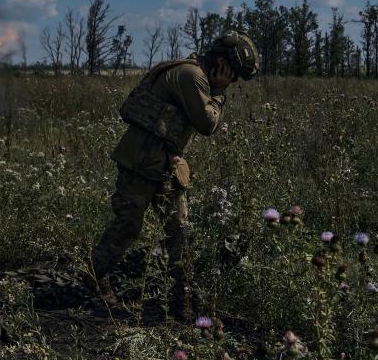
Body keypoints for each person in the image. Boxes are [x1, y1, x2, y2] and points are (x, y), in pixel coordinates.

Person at [89, 31, 259, 317]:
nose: (233, 83)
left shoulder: (196, 75)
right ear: (222, 63)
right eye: (234, 76)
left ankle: (183, 299)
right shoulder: (191, 76)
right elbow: (207, 123)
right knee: (127, 226)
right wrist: (218, 94)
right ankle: (95, 279)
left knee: (180, 233)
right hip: (140, 163)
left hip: (166, 165)